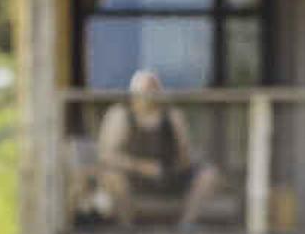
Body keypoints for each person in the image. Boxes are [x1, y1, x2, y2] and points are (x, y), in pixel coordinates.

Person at [91, 68, 224, 225]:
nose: (150, 94)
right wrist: (141, 166)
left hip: (168, 176)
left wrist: (180, 158)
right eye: (146, 89)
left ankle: (186, 226)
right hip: (132, 178)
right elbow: (106, 155)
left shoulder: (172, 115)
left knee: (209, 175)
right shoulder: (120, 114)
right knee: (111, 176)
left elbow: (185, 155)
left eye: (154, 88)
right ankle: (127, 228)